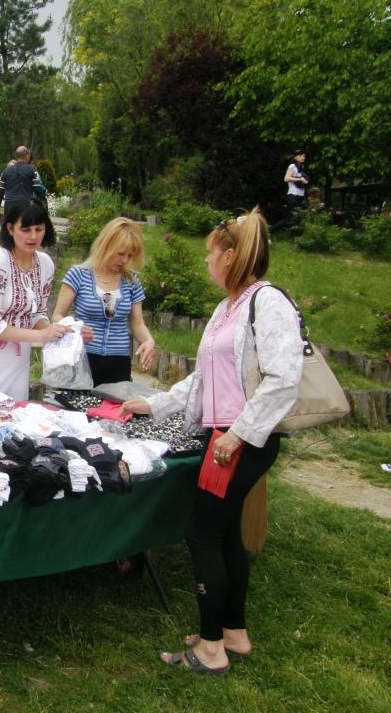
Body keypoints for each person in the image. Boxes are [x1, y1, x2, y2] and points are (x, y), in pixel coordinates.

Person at [120, 209, 303, 676]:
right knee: (223, 533)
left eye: (211, 253)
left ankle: (210, 648)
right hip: (224, 436)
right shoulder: (227, 308)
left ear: (230, 256)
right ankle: (233, 632)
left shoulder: (269, 302)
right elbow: (203, 380)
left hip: (241, 442)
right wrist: (155, 404)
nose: (206, 262)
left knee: (201, 533)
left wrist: (238, 434)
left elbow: (284, 379)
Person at [0, 201, 84, 403]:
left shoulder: (45, 264)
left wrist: (63, 334)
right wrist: (41, 335)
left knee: (13, 416)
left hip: (18, 360)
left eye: (39, 229)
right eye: (26, 229)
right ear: (10, 229)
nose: (33, 236)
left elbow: (37, 313)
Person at [52, 217, 156, 385]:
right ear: (106, 246)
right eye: (120, 253)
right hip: (81, 357)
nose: (124, 260)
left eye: (129, 256)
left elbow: (137, 324)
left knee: (114, 402)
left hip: (118, 361)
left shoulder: (132, 281)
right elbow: (57, 315)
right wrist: (74, 328)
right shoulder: (78, 274)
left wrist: (149, 340)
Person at [0, 146, 47, 218]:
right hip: (26, 207)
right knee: (25, 225)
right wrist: (41, 207)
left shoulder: (6, 171)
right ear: (27, 155)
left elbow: (0, 191)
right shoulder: (32, 170)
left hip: (9, 207)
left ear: (16, 156)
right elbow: (38, 190)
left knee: (11, 225)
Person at [276, 149, 308, 233]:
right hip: (293, 195)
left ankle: (297, 236)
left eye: (304, 156)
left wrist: (305, 181)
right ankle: (270, 232)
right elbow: (286, 178)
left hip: (301, 195)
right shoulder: (292, 166)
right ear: (295, 157)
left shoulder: (301, 167)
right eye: (300, 156)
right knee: (288, 218)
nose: (303, 157)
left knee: (300, 217)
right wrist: (299, 179)